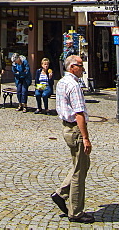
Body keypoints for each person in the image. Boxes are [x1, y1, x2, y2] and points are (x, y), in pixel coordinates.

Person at [50, 54, 93, 223]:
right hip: (75, 129)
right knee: (79, 171)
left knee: (82, 164)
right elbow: (79, 113)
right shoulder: (73, 85)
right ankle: (76, 212)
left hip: (66, 128)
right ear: (71, 67)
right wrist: (86, 137)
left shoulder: (61, 82)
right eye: (80, 65)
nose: (83, 68)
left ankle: (61, 194)